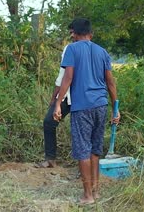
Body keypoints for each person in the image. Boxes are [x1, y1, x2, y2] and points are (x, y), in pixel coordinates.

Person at [53, 18, 120, 205]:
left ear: (75, 33)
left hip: (82, 107)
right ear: (90, 32)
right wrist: (116, 108)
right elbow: (110, 82)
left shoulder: (72, 49)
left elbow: (67, 78)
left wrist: (58, 103)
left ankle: (87, 196)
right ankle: (96, 192)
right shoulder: (102, 52)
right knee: (95, 149)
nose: (71, 36)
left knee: (83, 150)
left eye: (72, 33)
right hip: (101, 105)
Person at [36, 23, 78, 168]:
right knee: (49, 122)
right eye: (70, 32)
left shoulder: (93, 50)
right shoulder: (68, 49)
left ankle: (83, 164)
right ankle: (50, 158)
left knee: (80, 128)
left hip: (81, 97)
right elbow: (62, 76)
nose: (72, 36)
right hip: (67, 95)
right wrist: (55, 98)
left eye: (74, 32)